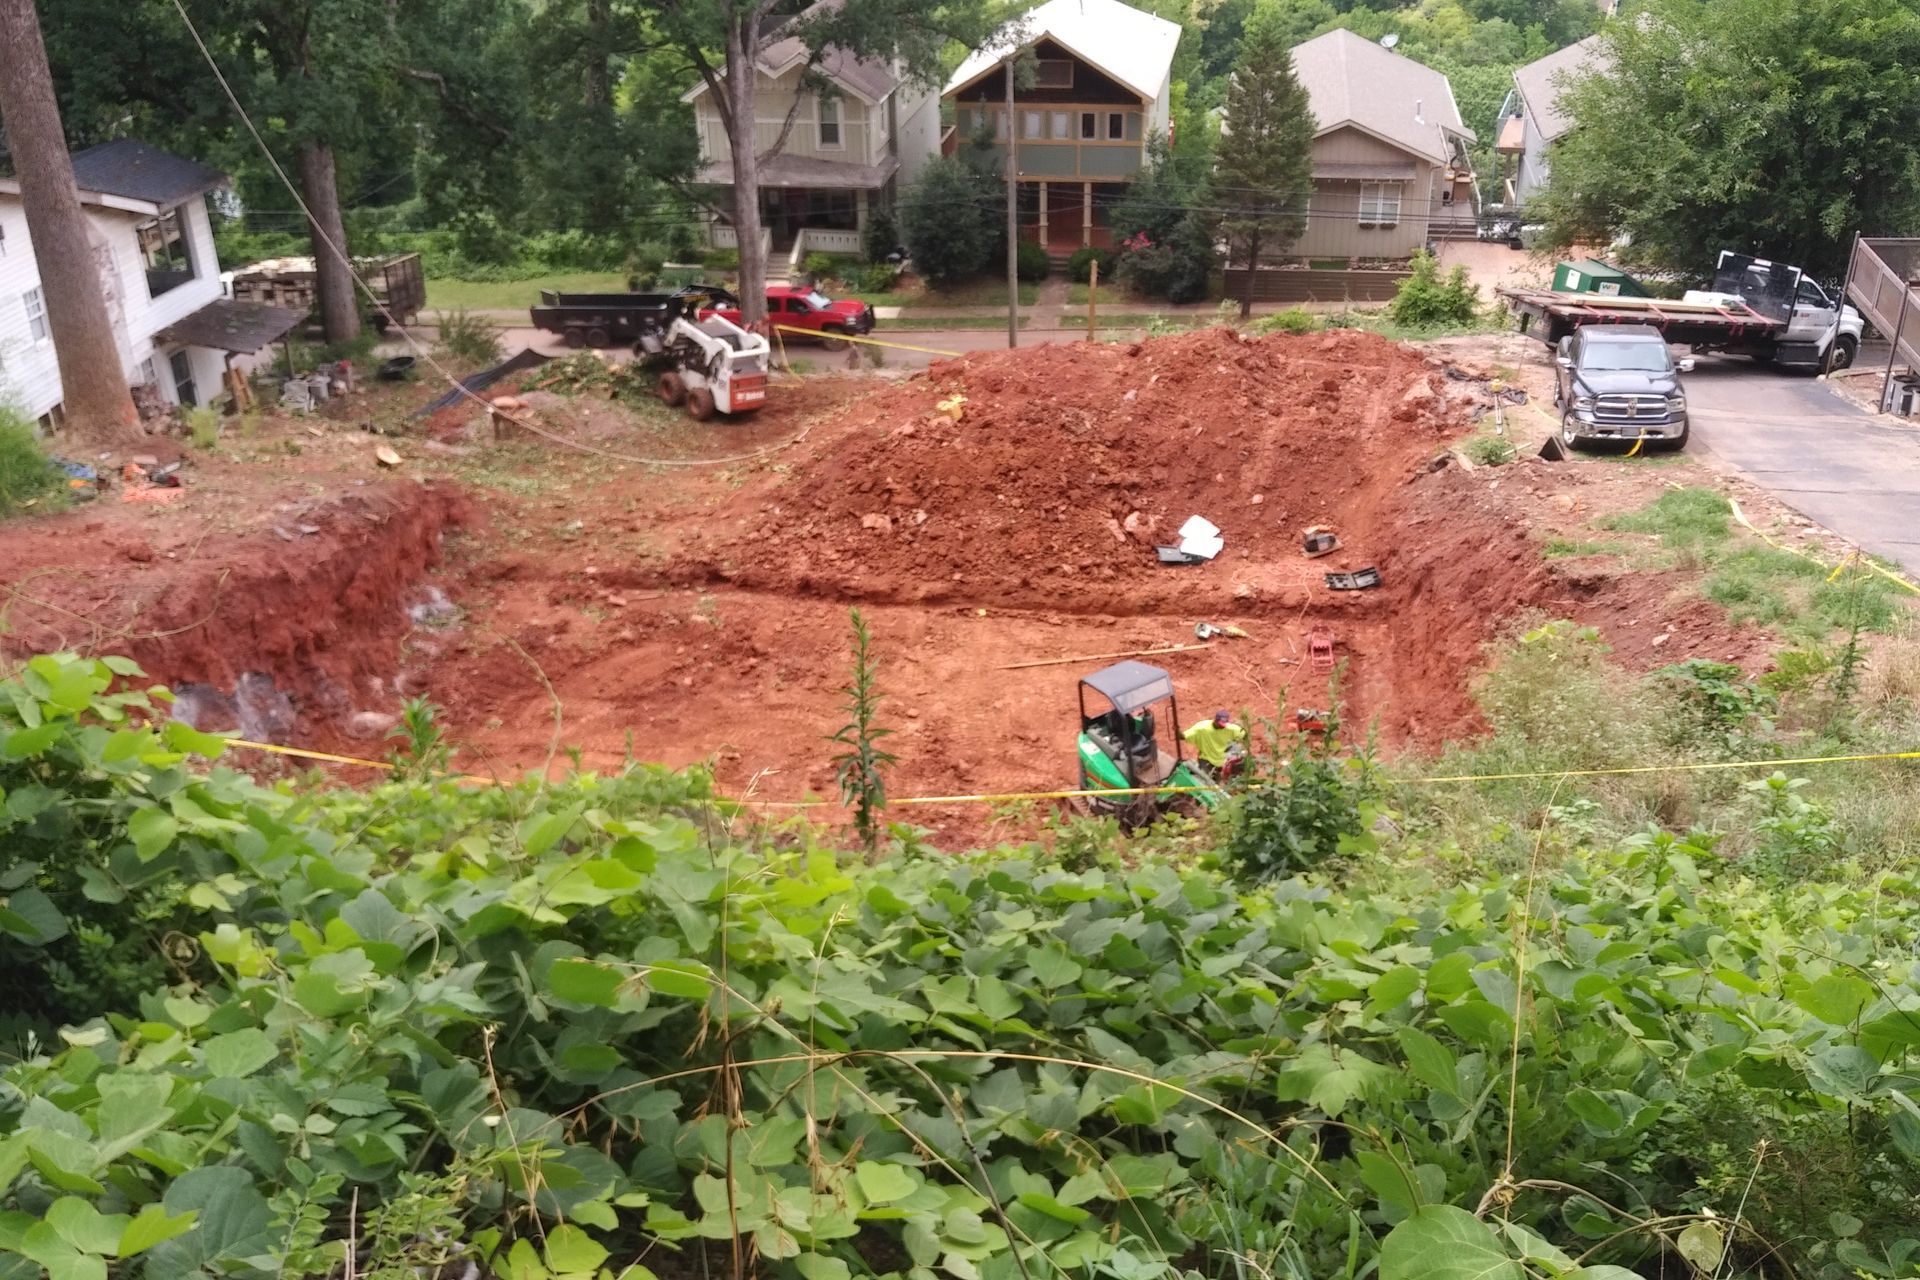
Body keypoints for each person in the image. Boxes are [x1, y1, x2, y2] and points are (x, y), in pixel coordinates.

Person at [1183, 709, 1247, 780]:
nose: (1221, 727)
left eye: (1223, 725)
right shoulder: (1202, 728)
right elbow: (1185, 736)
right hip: (1206, 760)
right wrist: (1178, 731)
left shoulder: (1231, 729)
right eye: (1220, 724)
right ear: (1215, 720)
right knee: (1206, 781)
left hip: (1220, 762)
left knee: (1216, 784)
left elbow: (1244, 734)